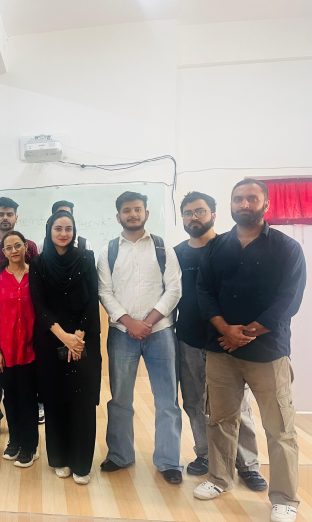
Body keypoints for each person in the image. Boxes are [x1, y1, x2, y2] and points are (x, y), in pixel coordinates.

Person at [193, 179, 306, 522]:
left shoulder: (286, 248)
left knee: (280, 428)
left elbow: (288, 300)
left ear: (265, 204)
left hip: (268, 351)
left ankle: (285, 498)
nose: (244, 204)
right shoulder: (217, 247)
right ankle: (219, 479)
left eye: (251, 198)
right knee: (220, 420)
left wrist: (247, 333)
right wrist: (225, 330)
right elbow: (203, 292)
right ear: (230, 204)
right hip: (221, 349)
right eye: (238, 198)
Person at [174, 192, 265, 490]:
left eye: (200, 211)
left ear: (213, 214)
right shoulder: (176, 253)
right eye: (188, 212)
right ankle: (205, 454)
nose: (194, 217)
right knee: (193, 401)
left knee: (237, 404)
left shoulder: (229, 247)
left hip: (225, 341)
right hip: (188, 339)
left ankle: (247, 464)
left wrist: (240, 332)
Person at [97, 191, 183, 485]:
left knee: (167, 400)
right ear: (118, 216)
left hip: (160, 332)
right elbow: (104, 291)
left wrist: (147, 322)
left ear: (146, 213)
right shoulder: (109, 250)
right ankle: (120, 455)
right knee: (120, 399)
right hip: (122, 333)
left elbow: (174, 289)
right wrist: (129, 322)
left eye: (137, 209)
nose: (132, 214)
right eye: (127, 210)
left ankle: (169, 461)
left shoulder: (162, 248)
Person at [29, 210, 101, 484]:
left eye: (68, 228)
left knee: (82, 401)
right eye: (58, 228)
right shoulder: (38, 263)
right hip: (51, 339)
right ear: (49, 230)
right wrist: (64, 337)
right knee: (55, 398)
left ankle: (82, 463)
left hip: (83, 339)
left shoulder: (86, 258)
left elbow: (92, 299)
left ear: (74, 231)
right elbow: (39, 305)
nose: (63, 233)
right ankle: (59, 458)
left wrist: (77, 337)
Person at [0, 197, 40, 437]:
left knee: (27, 386)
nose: (5, 218)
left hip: (27, 327)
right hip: (1, 328)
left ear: (16, 217)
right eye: (1, 214)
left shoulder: (31, 247)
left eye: (9, 214)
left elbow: (36, 281)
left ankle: (28, 430)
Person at [0, 231, 39, 468]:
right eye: (9, 247)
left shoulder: (36, 276)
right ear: (3, 252)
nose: (14, 250)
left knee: (28, 398)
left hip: (32, 349)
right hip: (5, 351)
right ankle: (15, 440)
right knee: (10, 398)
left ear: (26, 247)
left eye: (18, 245)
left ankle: (30, 446)